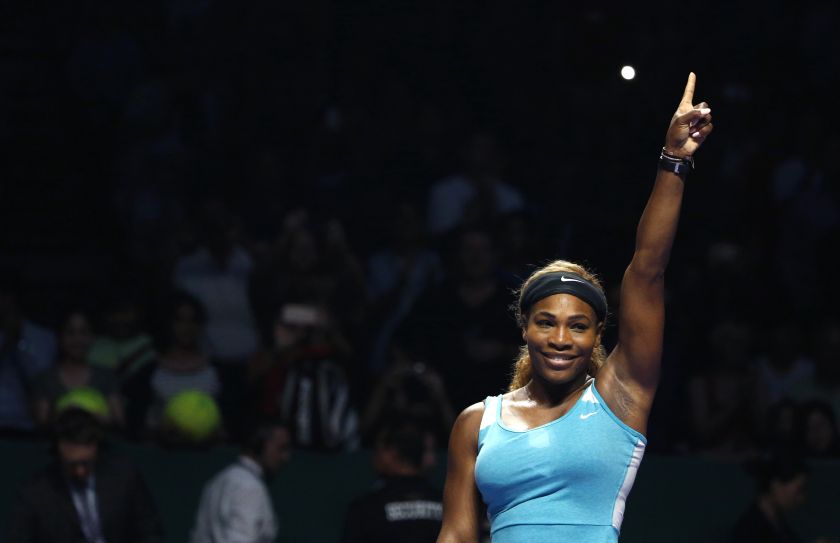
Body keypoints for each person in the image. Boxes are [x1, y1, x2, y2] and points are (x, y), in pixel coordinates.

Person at [436, 73, 714, 543]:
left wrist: (674, 161)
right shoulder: (475, 423)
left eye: (578, 326)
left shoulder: (620, 398)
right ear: (524, 327)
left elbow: (647, 270)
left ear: (598, 334)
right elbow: (456, 536)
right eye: (546, 322)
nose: (561, 339)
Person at [5, 407, 163, 543]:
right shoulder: (36, 493)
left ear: (96, 449)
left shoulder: (123, 477)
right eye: (71, 464)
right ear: (58, 453)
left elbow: (150, 532)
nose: (80, 471)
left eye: (86, 463)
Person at [341, 419, 443, 543]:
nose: (375, 457)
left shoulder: (366, 509)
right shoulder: (449, 506)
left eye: (379, 449)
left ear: (392, 453)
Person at [190, 421, 292, 543]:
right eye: (281, 448)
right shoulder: (250, 487)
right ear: (259, 445)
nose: (285, 457)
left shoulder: (217, 480)